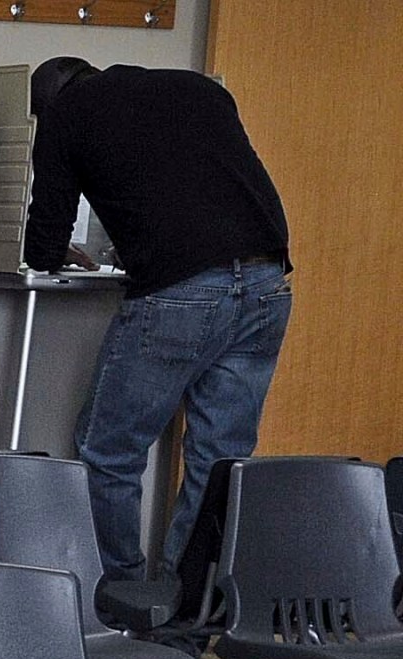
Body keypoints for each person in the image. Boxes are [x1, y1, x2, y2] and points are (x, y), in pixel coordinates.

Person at [25, 57, 292, 582]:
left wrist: (68, 251)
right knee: (219, 463)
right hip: (267, 282)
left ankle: (122, 599)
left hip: (182, 293)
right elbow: (208, 186)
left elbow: (42, 243)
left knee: (108, 452)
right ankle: (185, 612)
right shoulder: (197, 89)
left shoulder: (66, 113)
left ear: (47, 102)